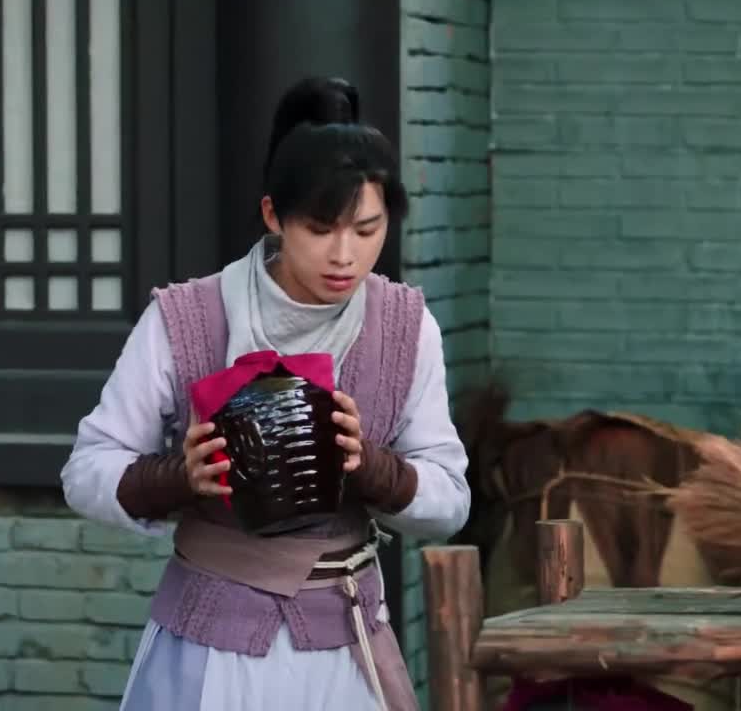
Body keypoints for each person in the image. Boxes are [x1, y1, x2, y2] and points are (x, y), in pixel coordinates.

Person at [60, 76, 470, 711]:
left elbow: (450, 501)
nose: (345, 255)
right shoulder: (186, 317)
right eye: (320, 229)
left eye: (367, 230)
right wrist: (179, 477)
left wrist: (371, 466)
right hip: (210, 641)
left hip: (346, 645)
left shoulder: (406, 326)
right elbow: (86, 470)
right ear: (274, 215)